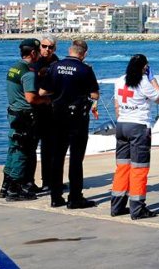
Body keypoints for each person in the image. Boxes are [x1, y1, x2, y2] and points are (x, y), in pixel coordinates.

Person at [41, 39, 100, 209]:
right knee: (76, 158)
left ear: (70, 50)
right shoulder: (85, 69)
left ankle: (55, 196)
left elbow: (42, 91)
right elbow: (94, 95)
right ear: (84, 54)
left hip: (57, 115)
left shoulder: (55, 66)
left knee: (57, 156)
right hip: (77, 118)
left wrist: (59, 91)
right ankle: (75, 197)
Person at [110, 54, 159, 219]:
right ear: (144, 68)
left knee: (122, 167)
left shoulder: (119, 80)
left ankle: (117, 206)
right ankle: (137, 209)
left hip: (122, 126)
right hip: (138, 128)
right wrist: (153, 79)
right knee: (139, 168)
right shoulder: (144, 83)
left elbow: (117, 104)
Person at [1, 39, 51, 201]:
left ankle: (6, 186)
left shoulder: (14, 68)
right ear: (33, 53)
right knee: (23, 152)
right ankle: (15, 190)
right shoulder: (28, 73)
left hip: (14, 113)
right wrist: (46, 100)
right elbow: (31, 98)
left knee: (14, 149)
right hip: (25, 116)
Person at [26, 36, 60, 193]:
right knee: (31, 147)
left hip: (51, 111)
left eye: (50, 47)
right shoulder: (33, 62)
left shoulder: (56, 62)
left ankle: (48, 181)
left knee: (49, 148)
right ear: (40, 48)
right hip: (35, 109)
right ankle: (28, 182)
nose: (47, 49)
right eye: (44, 46)